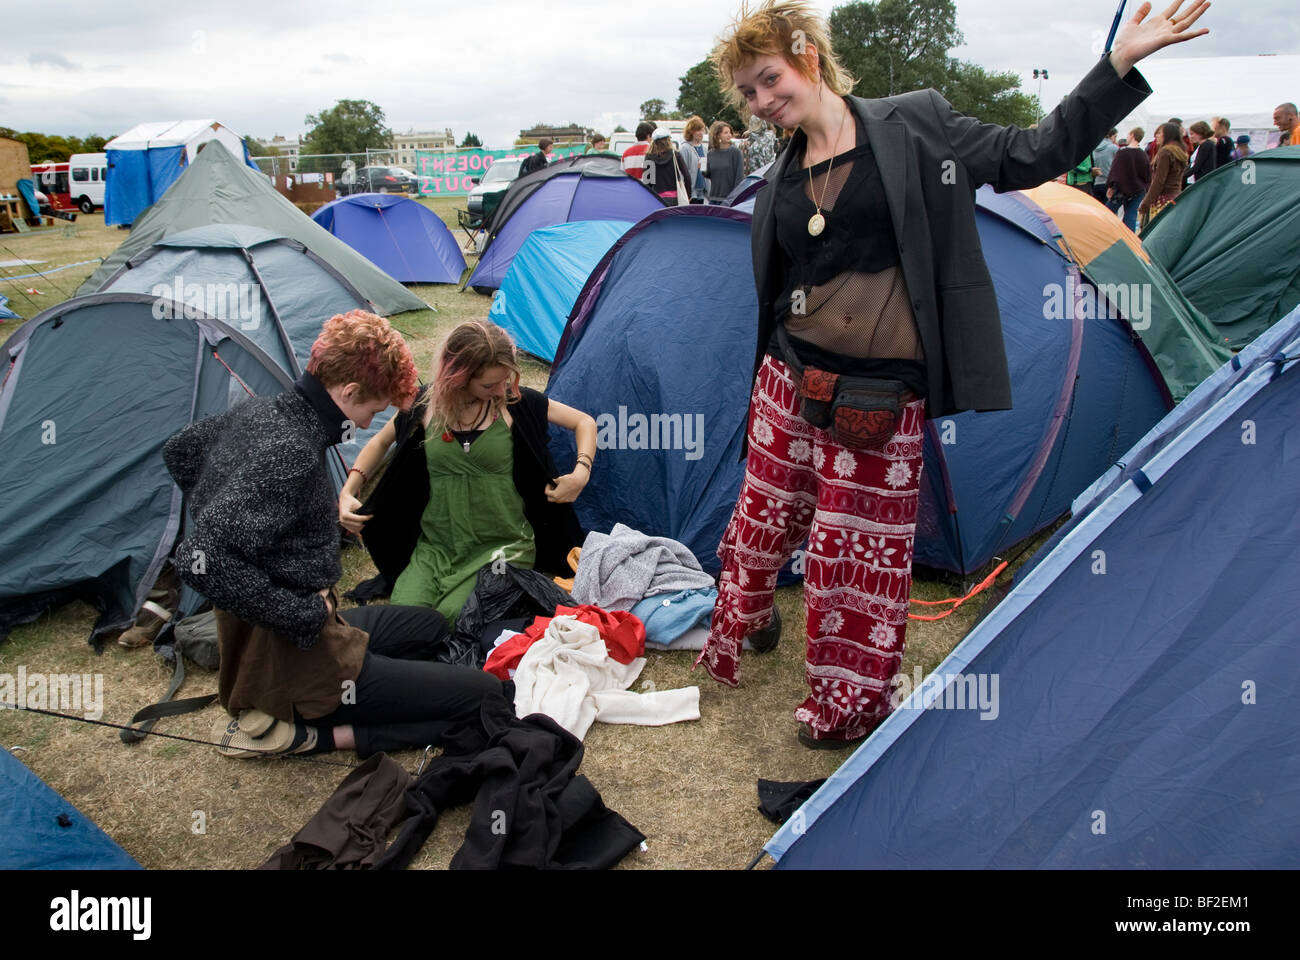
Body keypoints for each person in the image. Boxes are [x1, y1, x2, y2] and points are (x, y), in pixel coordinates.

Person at [697, 0, 1208, 748]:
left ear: (808, 57)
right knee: (762, 519)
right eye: (747, 93)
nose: (762, 100)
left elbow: (1034, 153)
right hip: (788, 378)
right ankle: (756, 614)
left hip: (877, 394)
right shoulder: (780, 174)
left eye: (768, 78)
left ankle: (846, 704)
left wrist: (1118, 66)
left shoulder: (916, 126)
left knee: (853, 555)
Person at [163, 310, 503, 758]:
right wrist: (298, 611)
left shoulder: (264, 411)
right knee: (484, 695)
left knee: (431, 625)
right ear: (348, 391)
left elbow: (181, 450)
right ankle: (308, 733)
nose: (366, 425)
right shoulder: (292, 452)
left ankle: (314, 689)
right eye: (370, 409)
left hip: (296, 633)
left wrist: (262, 547)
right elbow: (198, 558)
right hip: (303, 655)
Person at [340, 320, 594, 622]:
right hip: (438, 547)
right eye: (489, 385)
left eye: (505, 379)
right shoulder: (425, 405)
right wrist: (348, 491)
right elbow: (381, 442)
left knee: (453, 618)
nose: (501, 389)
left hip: (503, 548)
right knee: (405, 617)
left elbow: (584, 423)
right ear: (458, 378)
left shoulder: (515, 404)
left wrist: (581, 473)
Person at [1107, 126, 1150, 233]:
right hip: (1138, 189)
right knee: (1131, 216)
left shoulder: (1123, 152)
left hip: (1121, 189)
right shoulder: (1143, 154)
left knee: (1108, 212)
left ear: (1132, 135)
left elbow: (1115, 171)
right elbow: (1147, 174)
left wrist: (1111, 186)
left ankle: (1104, 233)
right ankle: (1129, 240)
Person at [642, 127, 692, 204]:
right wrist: (688, 194)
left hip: (657, 198)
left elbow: (647, 182)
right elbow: (687, 176)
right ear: (668, 140)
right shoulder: (675, 155)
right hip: (675, 199)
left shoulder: (649, 157)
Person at [706, 120, 743, 201]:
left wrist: (735, 198)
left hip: (730, 199)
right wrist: (701, 169)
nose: (729, 135)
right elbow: (709, 175)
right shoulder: (710, 154)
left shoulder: (736, 152)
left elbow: (739, 178)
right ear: (718, 135)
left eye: (730, 132)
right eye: (725, 133)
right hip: (714, 198)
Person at [679, 116, 709, 202]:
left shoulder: (704, 148)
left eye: (702, 130)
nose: (701, 133)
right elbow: (682, 172)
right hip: (691, 193)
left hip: (703, 193)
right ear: (691, 132)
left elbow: (705, 170)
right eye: (698, 130)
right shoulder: (685, 148)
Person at [1185, 120, 1217, 186]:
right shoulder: (1203, 145)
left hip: (1202, 181)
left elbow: (1197, 166)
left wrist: (1182, 176)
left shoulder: (1206, 146)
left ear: (1200, 133)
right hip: (1199, 180)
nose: (1191, 136)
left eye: (1192, 134)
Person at [1091, 129, 1120, 203]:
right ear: (1111, 136)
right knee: (1109, 210)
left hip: (1096, 183)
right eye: (1115, 136)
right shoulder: (1113, 148)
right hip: (1109, 183)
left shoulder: (1094, 148)